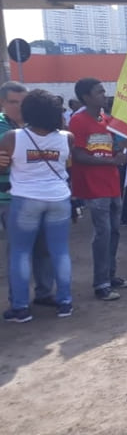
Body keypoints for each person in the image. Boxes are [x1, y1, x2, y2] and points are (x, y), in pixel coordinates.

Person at [0, 90, 75, 321]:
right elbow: (68, 165)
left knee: (21, 253)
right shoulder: (67, 137)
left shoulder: (12, 137)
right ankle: (65, 303)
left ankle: (20, 308)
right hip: (59, 199)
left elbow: (2, 169)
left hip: (25, 200)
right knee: (60, 251)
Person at [68, 78, 127, 301]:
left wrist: (122, 149)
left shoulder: (107, 120)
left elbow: (110, 148)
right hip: (94, 186)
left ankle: (110, 274)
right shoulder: (78, 122)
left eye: (103, 91)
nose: (104, 95)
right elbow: (77, 154)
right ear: (86, 97)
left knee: (114, 231)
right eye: (99, 92)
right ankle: (101, 283)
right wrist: (111, 162)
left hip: (112, 183)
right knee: (102, 233)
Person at [0, 82, 56, 309]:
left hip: (41, 197)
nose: (20, 107)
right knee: (19, 252)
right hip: (11, 200)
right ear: (2, 102)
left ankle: (44, 292)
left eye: (24, 102)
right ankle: (18, 302)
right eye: (14, 102)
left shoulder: (39, 127)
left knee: (44, 248)